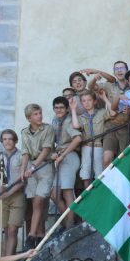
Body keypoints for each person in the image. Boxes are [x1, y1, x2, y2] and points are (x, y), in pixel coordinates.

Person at [20, 103, 55, 249]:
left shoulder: (48, 128)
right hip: (31, 167)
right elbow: (25, 152)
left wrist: (34, 167)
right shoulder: (24, 132)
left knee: (40, 200)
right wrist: (23, 170)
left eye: (40, 113)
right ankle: (38, 235)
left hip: (44, 165)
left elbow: (47, 149)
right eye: (35, 114)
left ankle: (31, 235)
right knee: (35, 202)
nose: (39, 116)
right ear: (29, 118)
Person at [0, 129, 26, 261]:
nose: (7, 141)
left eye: (10, 139)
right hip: (2, 197)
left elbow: (23, 180)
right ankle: (5, 260)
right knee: (5, 230)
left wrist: (9, 192)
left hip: (17, 196)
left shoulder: (22, 156)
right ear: (2, 141)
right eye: (4, 139)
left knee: (12, 229)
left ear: (15, 141)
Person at [50, 96, 82, 227]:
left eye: (61, 107)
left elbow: (78, 139)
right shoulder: (54, 120)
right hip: (60, 157)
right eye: (56, 107)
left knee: (67, 191)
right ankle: (67, 221)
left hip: (69, 157)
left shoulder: (69, 121)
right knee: (54, 194)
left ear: (67, 108)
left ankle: (69, 224)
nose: (59, 110)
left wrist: (63, 154)